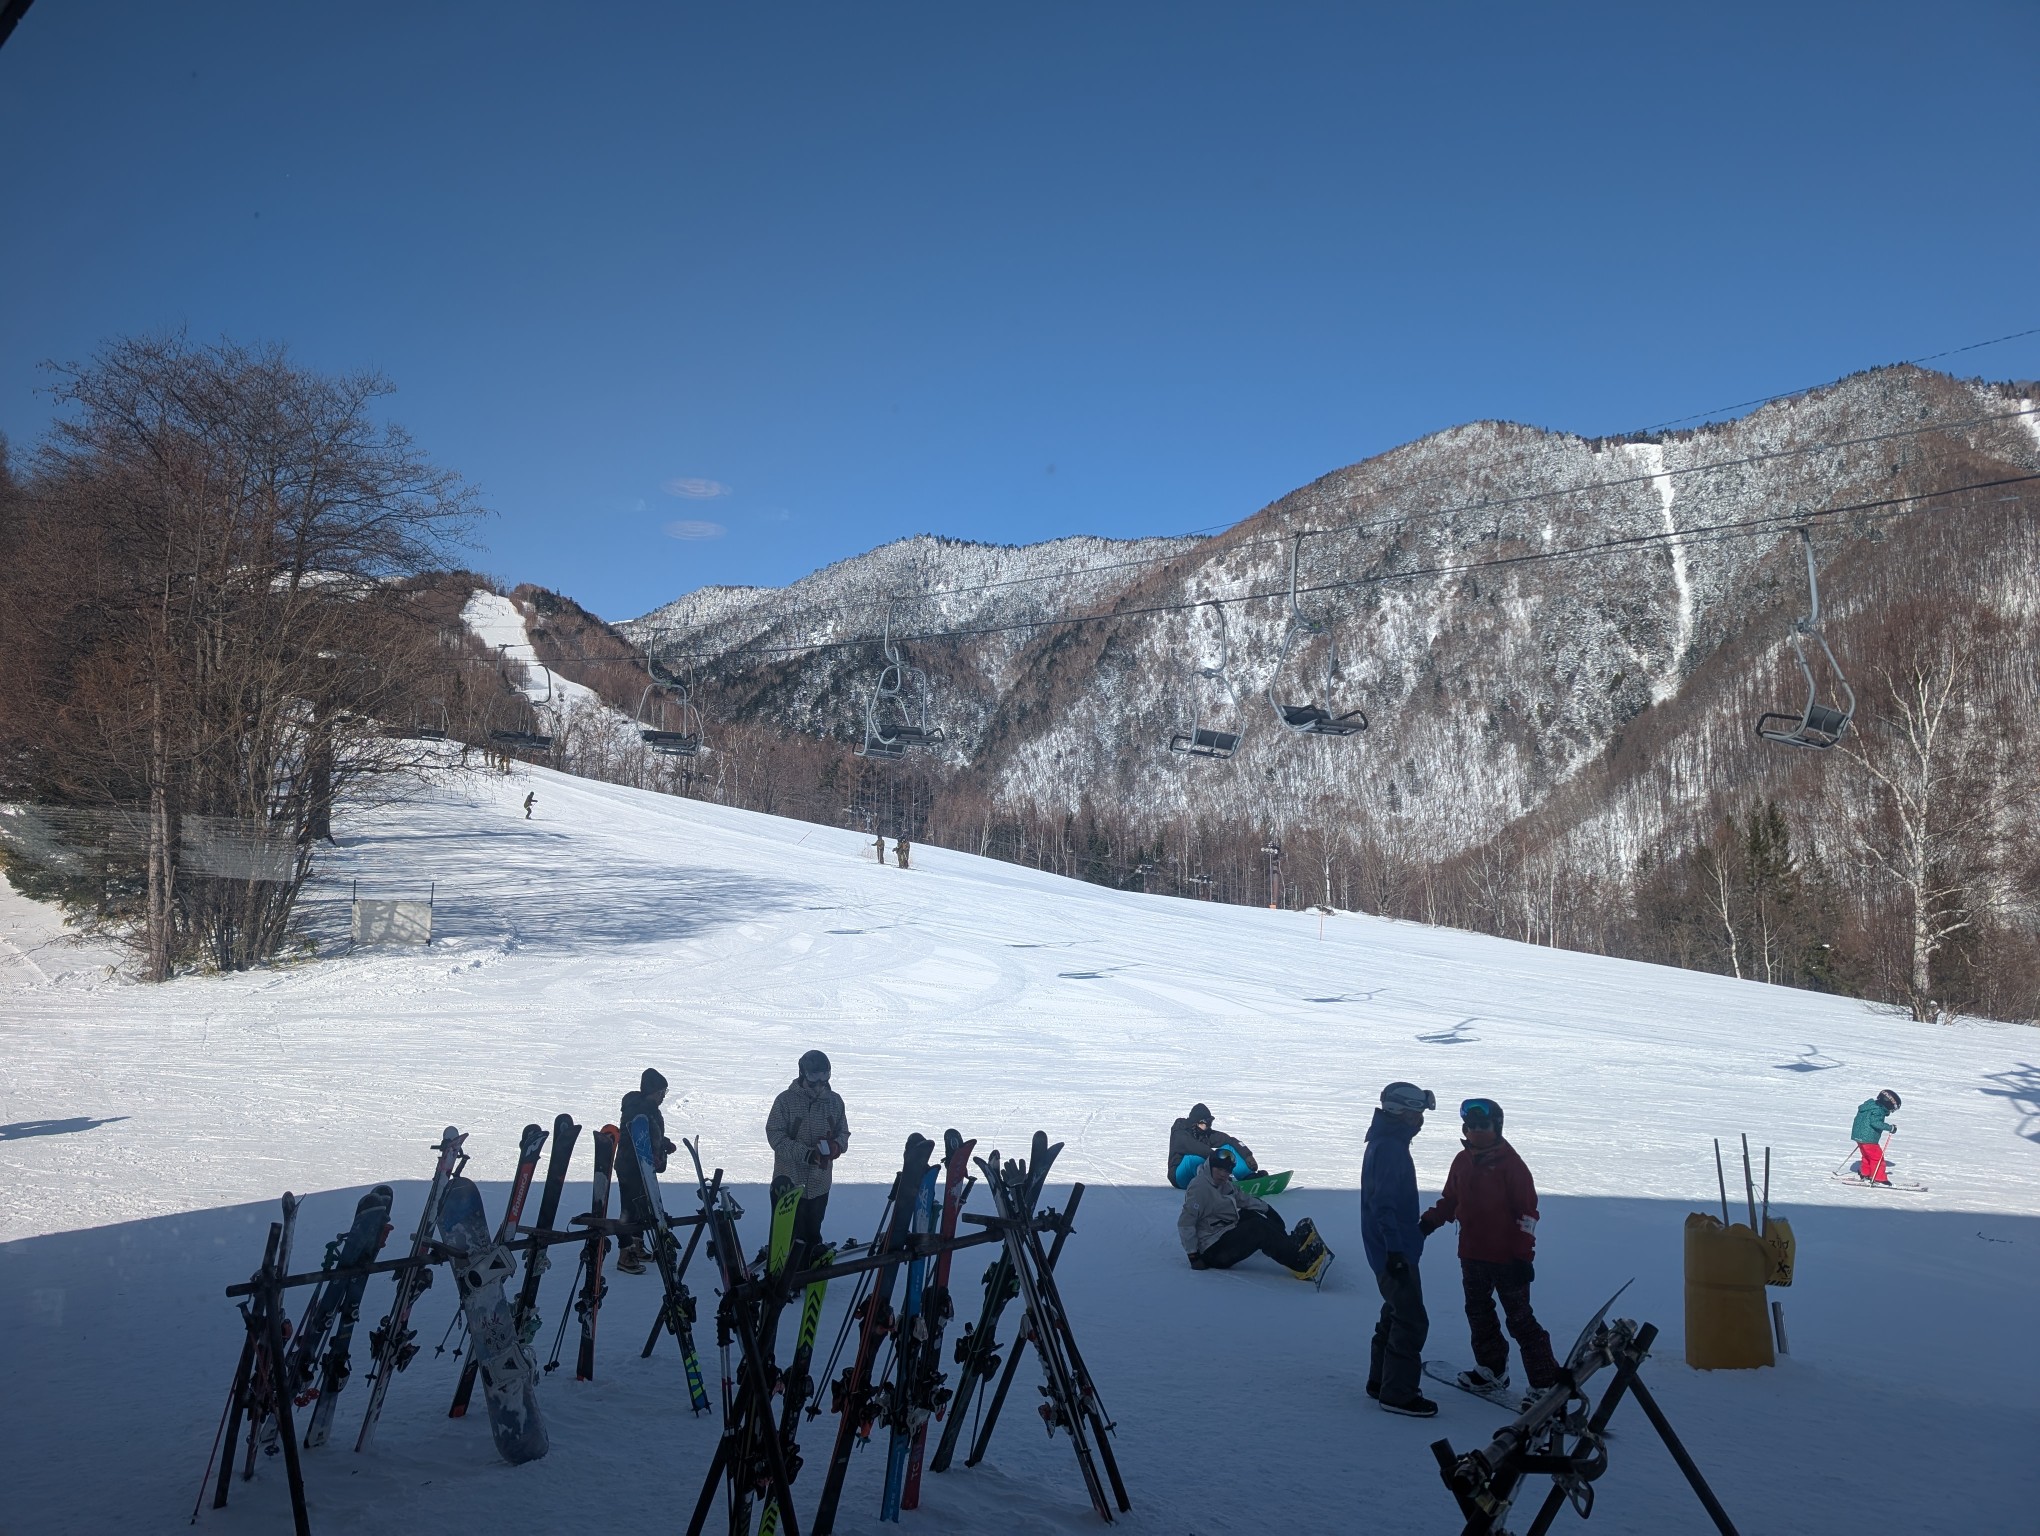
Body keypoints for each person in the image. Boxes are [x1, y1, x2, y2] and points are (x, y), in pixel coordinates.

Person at [1419, 1098, 1558, 1404]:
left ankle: (1545, 1384)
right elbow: (1451, 1200)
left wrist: (1524, 1256)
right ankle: (1492, 1370)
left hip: (1508, 1259)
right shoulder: (1462, 1160)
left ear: (1497, 1128)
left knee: (1520, 1320)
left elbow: (1527, 1215)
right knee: (1478, 1314)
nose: (1477, 1132)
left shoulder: (1513, 1166)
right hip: (1472, 1254)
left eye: (1484, 1126)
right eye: (1472, 1127)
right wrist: (1428, 1222)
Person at [1362, 1080, 1436, 1417]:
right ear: (1399, 1111)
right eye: (1417, 1112)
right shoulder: (1390, 1147)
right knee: (1411, 1320)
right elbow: (1383, 1205)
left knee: (1394, 1312)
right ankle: (1397, 1394)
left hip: (1396, 1246)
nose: (1420, 1120)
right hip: (1393, 1251)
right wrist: (1395, 1251)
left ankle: (1380, 1382)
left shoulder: (1386, 1142)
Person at [1177, 1147, 1327, 1282]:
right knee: (1257, 1229)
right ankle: (1300, 1264)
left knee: (1250, 1215)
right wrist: (1193, 1256)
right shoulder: (1199, 1188)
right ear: (1211, 1166)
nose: (1224, 1174)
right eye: (1220, 1170)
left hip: (1223, 1230)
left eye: (1227, 1171)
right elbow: (1185, 1223)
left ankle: (1288, 1245)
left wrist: (1267, 1209)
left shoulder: (1222, 1183)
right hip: (1211, 1251)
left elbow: (1242, 1198)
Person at [767, 1050, 851, 1256]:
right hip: (789, 1182)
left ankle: (809, 1273)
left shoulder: (835, 1101)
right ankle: (783, 1275)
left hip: (819, 1182)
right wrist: (806, 1154)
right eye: (814, 1076)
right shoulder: (785, 1101)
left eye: (825, 1076)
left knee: (812, 1232)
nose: (819, 1083)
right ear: (803, 1074)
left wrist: (837, 1146)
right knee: (787, 1234)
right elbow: (776, 1136)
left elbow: (844, 1132)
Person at [615, 1067, 677, 1275]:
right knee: (629, 1209)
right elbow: (635, 1136)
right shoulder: (637, 1108)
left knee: (643, 1205)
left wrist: (663, 1144)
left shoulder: (650, 1109)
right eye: (662, 1092)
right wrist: (653, 1152)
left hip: (644, 1167)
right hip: (630, 1165)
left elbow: (651, 1134)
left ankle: (637, 1245)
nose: (663, 1097)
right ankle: (625, 1253)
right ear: (654, 1091)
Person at [1167, 1103, 1262, 1188]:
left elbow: (1229, 1140)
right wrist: (1217, 1159)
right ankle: (1216, 1183)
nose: (1209, 1126)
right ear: (1197, 1122)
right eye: (1207, 1123)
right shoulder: (1179, 1133)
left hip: (1199, 1173)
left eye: (1210, 1123)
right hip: (1178, 1177)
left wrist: (1247, 1155)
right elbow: (1196, 1148)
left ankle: (1247, 1175)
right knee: (1194, 1158)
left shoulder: (1204, 1133)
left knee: (1228, 1148)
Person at [1851, 1089, 1902, 1185]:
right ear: (1888, 1103)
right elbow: (1875, 1123)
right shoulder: (1878, 1110)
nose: (1891, 1111)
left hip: (1859, 1136)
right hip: (1869, 1138)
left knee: (1867, 1156)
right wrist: (1890, 1128)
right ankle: (1879, 1178)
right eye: (1893, 1108)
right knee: (1877, 1158)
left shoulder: (1869, 1107)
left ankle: (1865, 1172)